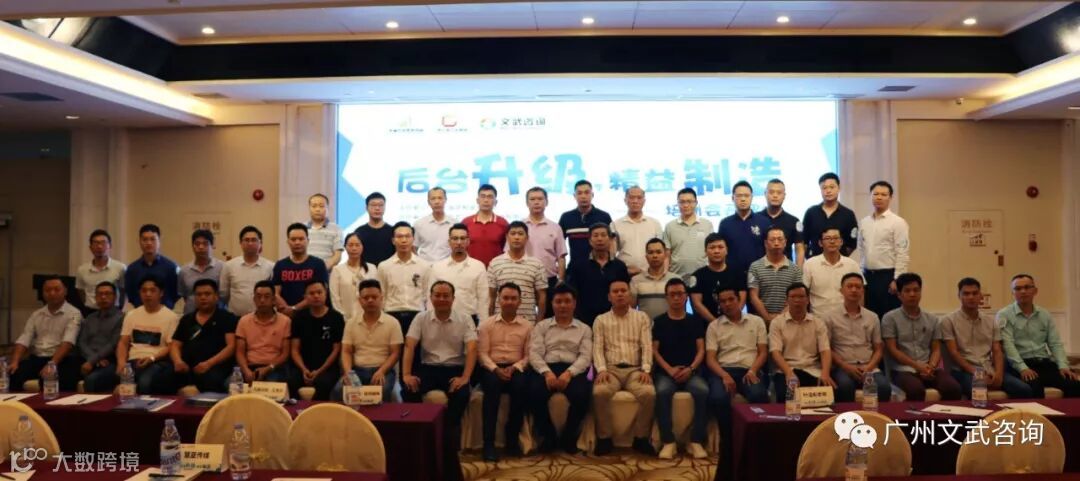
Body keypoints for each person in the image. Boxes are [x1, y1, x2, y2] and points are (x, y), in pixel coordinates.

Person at [401, 281, 477, 465]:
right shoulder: (421, 318)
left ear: (453, 298)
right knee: (409, 389)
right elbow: (410, 345)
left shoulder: (465, 318)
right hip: (429, 367)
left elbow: (472, 348)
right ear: (431, 297)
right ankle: (418, 437)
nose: (441, 299)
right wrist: (406, 374)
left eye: (446, 296)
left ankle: (448, 441)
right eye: (437, 295)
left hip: (454, 368)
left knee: (462, 394)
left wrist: (465, 377)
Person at [706, 287, 769, 479]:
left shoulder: (756, 321)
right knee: (718, 398)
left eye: (730, 299)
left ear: (738, 299)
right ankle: (729, 440)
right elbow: (710, 359)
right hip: (723, 370)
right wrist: (724, 375)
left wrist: (753, 370)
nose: (727, 304)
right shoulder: (714, 326)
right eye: (723, 301)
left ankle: (756, 443)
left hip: (750, 369)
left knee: (759, 395)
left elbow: (763, 352)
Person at [591, 279, 656, 456]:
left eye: (623, 291)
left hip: (635, 370)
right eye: (615, 291)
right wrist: (601, 369)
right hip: (610, 370)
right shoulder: (600, 320)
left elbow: (647, 345)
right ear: (609, 296)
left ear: (630, 294)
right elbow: (597, 348)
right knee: (599, 392)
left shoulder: (641, 317)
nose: (620, 294)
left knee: (649, 393)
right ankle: (604, 438)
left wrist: (646, 369)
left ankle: (641, 438)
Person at [528, 283, 592, 454]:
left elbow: (585, 357)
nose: (563, 305)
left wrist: (569, 374)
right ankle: (548, 436)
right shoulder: (541, 326)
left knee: (582, 394)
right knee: (534, 392)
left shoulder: (584, 329)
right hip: (547, 367)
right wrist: (547, 373)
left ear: (574, 303)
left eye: (567, 301)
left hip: (573, 369)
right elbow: (534, 353)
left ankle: (568, 437)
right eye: (558, 301)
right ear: (552, 303)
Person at [941, 278, 1030, 399]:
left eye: (975, 293)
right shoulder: (948, 321)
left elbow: (997, 351)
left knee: (1024, 390)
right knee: (980, 392)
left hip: (988, 368)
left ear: (980, 296)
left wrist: (999, 374)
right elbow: (954, 353)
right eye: (966, 294)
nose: (971, 297)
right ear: (959, 296)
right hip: (962, 371)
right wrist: (977, 373)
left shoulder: (990, 321)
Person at [652, 278, 709, 460]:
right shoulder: (659, 321)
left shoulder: (695, 321)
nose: (676, 298)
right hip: (666, 373)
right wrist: (669, 370)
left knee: (702, 390)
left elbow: (701, 350)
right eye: (672, 294)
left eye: (680, 294)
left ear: (686, 297)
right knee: (662, 392)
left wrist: (691, 369)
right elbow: (654, 351)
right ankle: (668, 442)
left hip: (691, 371)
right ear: (666, 297)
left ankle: (696, 441)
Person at [882, 273, 962, 401]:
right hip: (902, 370)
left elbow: (936, 349)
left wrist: (931, 367)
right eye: (907, 291)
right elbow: (893, 350)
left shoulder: (932, 319)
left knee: (953, 388)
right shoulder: (889, 318)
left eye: (916, 290)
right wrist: (918, 366)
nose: (912, 294)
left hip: (929, 367)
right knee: (916, 390)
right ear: (899, 295)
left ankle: (944, 414)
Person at [999, 274, 1080, 398]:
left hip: (1043, 363)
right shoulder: (1004, 315)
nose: (1023, 291)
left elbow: (1055, 343)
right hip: (1018, 365)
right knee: (1035, 386)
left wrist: (1063, 366)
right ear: (1012, 293)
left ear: (1035, 291)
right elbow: (1008, 345)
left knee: (1074, 384)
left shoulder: (1044, 314)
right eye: (1018, 288)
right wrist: (1023, 368)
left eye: (1027, 287)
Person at [477, 283, 533, 461]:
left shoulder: (528, 326)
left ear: (519, 301)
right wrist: (496, 369)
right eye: (506, 298)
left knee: (521, 387)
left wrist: (514, 367)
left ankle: (512, 440)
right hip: (491, 367)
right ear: (499, 300)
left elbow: (529, 355)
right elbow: (482, 354)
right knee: (491, 389)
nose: (509, 302)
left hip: (516, 367)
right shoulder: (486, 325)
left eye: (513, 298)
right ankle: (488, 444)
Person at [824, 273, 891, 403]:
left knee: (883, 387)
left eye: (858, 287)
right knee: (844, 386)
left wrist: (869, 367)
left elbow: (878, 349)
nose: (854, 290)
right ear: (841, 290)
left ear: (862, 291)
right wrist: (845, 366)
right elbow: (827, 348)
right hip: (842, 368)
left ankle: (875, 416)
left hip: (868, 367)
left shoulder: (872, 317)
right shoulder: (830, 317)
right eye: (850, 286)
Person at [333, 279, 403, 403]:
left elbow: (395, 353)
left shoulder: (393, 323)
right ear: (360, 300)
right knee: (339, 390)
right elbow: (346, 351)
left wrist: (381, 371)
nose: (370, 300)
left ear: (381, 298)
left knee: (381, 391)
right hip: (357, 370)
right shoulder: (351, 323)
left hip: (383, 370)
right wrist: (348, 373)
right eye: (366, 298)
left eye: (374, 297)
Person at [10, 276, 82, 392]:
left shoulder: (74, 313)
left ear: (65, 291)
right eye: (47, 290)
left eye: (56, 289)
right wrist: (15, 361)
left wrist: (52, 364)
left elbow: (68, 342)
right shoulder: (37, 314)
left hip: (63, 359)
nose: (52, 293)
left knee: (50, 378)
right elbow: (24, 338)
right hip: (37, 358)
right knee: (13, 373)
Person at [769, 283, 835, 403]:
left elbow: (825, 350)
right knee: (784, 394)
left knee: (829, 393)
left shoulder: (818, 322)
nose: (797, 300)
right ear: (786, 301)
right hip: (787, 369)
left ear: (808, 300)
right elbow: (775, 352)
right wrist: (789, 373)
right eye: (793, 297)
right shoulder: (777, 323)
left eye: (801, 296)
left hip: (812, 369)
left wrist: (825, 373)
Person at [170, 279, 237, 393]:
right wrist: (178, 361)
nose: (203, 297)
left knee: (210, 380)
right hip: (187, 366)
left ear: (216, 296)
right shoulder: (186, 319)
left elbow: (231, 347)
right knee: (164, 378)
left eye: (207, 294)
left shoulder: (227, 318)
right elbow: (175, 345)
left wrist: (208, 364)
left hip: (215, 366)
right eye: (199, 294)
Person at [856, 180, 910, 320]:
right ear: (870, 196)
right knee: (870, 317)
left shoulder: (898, 222)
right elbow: (861, 250)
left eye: (883, 194)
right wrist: (861, 275)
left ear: (890, 197)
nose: (879, 197)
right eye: (875, 194)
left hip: (888, 277)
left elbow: (902, 252)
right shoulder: (864, 222)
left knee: (888, 318)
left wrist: (897, 279)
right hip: (868, 277)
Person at [115, 276, 179, 394]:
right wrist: (121, 362)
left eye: (152, 290)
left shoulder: (171, 317)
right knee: (101, 379)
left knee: (145, 382)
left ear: (161, 293)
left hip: (157, 361)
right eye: (144, 291)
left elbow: (171, 346)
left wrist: (151, 358)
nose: (148, 294)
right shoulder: (131, 315)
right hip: (133, 360)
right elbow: (123, 342)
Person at [566, 223, 630, 327]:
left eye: (603, 235)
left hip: (614, 319)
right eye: (595, 235)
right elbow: (573, 293)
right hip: (585, 320)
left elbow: (625, 293)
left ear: (610, 239)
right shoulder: (578, 265)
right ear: (590, 240)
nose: (599, 239)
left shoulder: (619, 266)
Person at [288, 281, 344, 400]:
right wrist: (304, 369)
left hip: (327, 368)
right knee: (292, 381)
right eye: (311, 293)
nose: (316, 296)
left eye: (319, 292)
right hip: (302, 367)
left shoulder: (336, 317)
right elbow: (294, 349)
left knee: (323, 384)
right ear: (305, 297)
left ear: (326, 293)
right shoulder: (299, 318)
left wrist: (319, 371)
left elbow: (336, 350)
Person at [377, 222, 431, 343]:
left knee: (415, 352)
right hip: (392, 314)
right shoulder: (384, 266)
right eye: (399, 236)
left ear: (413, 239)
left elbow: (427, 294)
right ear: (393, 240)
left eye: (407, 236)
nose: (404, 240)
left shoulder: (425, 266)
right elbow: (381, 295)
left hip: (417, 315)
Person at [487, 221, 547, 322]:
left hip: (528, 323)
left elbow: (542, 297)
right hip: (500, 323)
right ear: (507, 237)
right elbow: (491, 297)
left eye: (520, 234)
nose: (516, 237)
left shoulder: (537, 264)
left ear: (527, 238)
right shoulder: (495, 263)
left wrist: (539, 322)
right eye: (513, 233)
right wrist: (490, 321)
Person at [428, 223, 488, 323]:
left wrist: (483, 324)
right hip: (442, 320)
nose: (459, 242)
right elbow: (431, 297)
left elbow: (483, 300)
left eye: (462, 238)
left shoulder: (478, 266)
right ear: (449, 242)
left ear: (468, 241)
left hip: (470, 320)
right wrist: (431, 321)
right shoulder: (437, 267)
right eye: (455, 238)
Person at [523, 186, 568, 318]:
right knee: (525, 317)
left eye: (540, 199)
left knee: (549, 318)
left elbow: (561, 256)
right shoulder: (520, 227)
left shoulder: (555, 227)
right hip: (525, 279)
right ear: (527, 203)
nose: (536, 202)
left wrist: (561, 279)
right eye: (532, 199)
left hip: (549, 280)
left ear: (546, 202)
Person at [235, 281, 292, 383]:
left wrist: (268, 368)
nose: (262, 300)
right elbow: (240, 352)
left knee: (270, 384)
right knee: (230, 384)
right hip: (250, 365)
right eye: (258, 297)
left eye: (267, 297)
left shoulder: (285, 321)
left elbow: (285, 354)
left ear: (274, 300)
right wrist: (245, 370)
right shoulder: (244, 321)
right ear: (254, 299)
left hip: (274, 367)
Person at [718, 180, 771, 283]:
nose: (743, 199)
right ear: (732, 198)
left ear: (752, 197)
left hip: (760, 276)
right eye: (739, 196)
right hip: (732, 276)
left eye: (746, 196)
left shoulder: (764, 222)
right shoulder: (725, 224)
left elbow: (769, 250)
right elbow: (721, 251)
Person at [273, 223, 330, 317]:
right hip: (285, 315)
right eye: (293, 239)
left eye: (301, 239)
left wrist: (295, 308)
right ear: (288, 242)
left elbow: (321, 292)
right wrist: (287, 309)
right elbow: (275, 292)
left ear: (308, 241)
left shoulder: (318, 264)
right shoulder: (280, 265)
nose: (297, 242)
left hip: (312, 316)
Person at [748, 227, 804, 323]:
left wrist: (779, 319)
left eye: (780, 239)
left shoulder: (795, 269)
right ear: (765, 243)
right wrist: (767, 318)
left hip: (788, 321)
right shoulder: (755, 267)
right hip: (761, 322)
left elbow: (796, 297)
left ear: (785, 242)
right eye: (772, 240)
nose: (776, 243)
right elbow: (753, 296)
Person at [77, 282, 124, 393]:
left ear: (115, 297)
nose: (103, 297)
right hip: (88, 358)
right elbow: (82, 342)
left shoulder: (121, 318)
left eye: (107, 294)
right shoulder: (90, 318)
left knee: (92, 380)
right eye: (100, 294)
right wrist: (93, 360)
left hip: (110, 361)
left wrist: (92, 361)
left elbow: (113, 344)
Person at [803, 228, 861, 315]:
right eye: (827, 238)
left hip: (845, 317)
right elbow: (803, 293)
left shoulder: (852, 264)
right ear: (820, 243)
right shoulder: (810, 264)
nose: (832, 241)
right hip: (818, 317)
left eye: (836, 238)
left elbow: (860, 293)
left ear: (841, 242)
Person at [219, 226, 274, 316]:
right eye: (246, 240)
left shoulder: (271, 267)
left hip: (263, 318)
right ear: (240, 243)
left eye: (254, 240)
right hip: (235, 318)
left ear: (260, 243)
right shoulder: (229, 266)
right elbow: (224, 295)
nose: (250, 243)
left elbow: (273, 295)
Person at [689, 234, 745, 322]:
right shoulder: (697, 276)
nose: (716, 251)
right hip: (706, 325)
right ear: (705, 251)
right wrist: (716, 324)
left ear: (727, 250)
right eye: (712, 248)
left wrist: (732, 319)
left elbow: (742, 299)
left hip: (734, 323)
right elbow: (697, 304)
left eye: (720, 247)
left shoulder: (738, 273)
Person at [802, 173, 858, 259]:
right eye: (824, 188)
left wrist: (839, 257)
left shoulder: (848, 214)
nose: (828, 191)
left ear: (839, 188)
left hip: (839, 262)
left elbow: (852, 244)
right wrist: (810, 257)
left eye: (832, 187)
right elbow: (804, 241)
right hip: (815, 261)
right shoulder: (811, 212)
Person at [612, 186, 663, 276]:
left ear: (644, 201)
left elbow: (661, 252)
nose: (635, 201)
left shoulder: (655, 224)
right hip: (624, 274)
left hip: (650, 274)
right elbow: (611, 254)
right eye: (631, 197)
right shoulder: (615, 225)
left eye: (639, 198)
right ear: (625, 200)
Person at [125, 224, 179, 309]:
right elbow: (131, 295)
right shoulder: (132, 269)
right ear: (139, 241)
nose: (149, 243)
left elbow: (175, 294)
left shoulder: (171, 267)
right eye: (145, 239)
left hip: (164, 312)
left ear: (159, 241)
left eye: (153, 239)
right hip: (141, 312)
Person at [560, 180, 613, 267]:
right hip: (575, 268)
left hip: (600, 268)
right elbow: (559, 245)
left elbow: (612, 242)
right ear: (574, 196)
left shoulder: (604, 216)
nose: (583, 196)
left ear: (592, 195)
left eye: (587, 192)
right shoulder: (566, 217)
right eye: (579, 193)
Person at [664, 188, 714, 277]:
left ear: (696, 203)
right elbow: (666, 256)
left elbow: (711, 251)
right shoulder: (670, 226)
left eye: (689, 201)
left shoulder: (707, 225)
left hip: (703, 277)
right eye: (682, 202)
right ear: (677, 204)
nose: (686, 205)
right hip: (676, 277)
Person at [329, 233, 377, 320]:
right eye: (350, 245)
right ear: (345, 247)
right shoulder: (337, 270)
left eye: (357, 245)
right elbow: (335, 298)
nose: (354, 248)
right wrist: (342, 318)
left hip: (369, 319)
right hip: (345, 319)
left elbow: (377, 294)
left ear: (362, 247)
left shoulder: (372, 268)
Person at [74, 229, 126, 309]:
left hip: (113, 310)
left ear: (110, 246)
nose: (99, 246)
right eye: (96, 243)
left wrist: (119, 309)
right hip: (90, 311)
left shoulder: (120, 268)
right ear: (90, 247)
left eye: (103, 243)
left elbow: (123, 291)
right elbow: (81, 291)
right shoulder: (82, 270)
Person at [630, 238, 679, 320]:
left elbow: (680, 310)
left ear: (665, 255)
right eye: (651, 252)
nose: (655, 256)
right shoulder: (635, 280)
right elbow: (631, 310)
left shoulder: (675, 279)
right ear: (646, 257)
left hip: (670, 326)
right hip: (644, 326)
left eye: (658, 252)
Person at [760, 179, 805, 266]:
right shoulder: (756, 219)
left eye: (779, 193)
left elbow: (799, 249)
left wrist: (798, 271)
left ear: (784, 196)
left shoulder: (794, 221)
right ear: (765, 194)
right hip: (761, 270)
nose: (775, 195)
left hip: (786, 270)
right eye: (771, 192)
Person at [179, 229, 224, 315]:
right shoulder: (184, 270)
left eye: (205, 243)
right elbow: (185, 295)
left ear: (212, 246)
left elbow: (224, 294)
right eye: (197, 244)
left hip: (217, 316)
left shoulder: (222, 268)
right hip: (191, 316)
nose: (201, 247)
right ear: (192, 246)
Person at [463, 184, 509, 266]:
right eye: (483, 196)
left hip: (496, 268)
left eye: (490, 197)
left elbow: (507, 249)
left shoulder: (503, 223)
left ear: (495, 202)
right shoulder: (466, 222)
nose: (486, 200)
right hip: (470, 268)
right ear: (477, 200)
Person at [415, 187, 457, 263]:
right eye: (433, 199)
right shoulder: (419, 224)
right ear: (428, 202)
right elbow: (413, 248)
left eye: (440, 198)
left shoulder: (454, 224)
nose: (437, 202)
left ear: (445, 200)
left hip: (448, 266)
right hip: (425, 266)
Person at [354, 192, 395, 266]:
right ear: (366, 208)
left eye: (381, 205)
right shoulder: (359, 231)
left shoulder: (392, 231)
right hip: (365, 270)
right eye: (373, 205)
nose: (377, 208)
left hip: (388, 270)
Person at [306, 193, 344, 270]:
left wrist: (323, 268)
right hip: (304, 271)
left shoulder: (336, 229)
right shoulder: (302, 228)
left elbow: (337, 256)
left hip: (326, 272)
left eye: (321, 206)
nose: (317, 209)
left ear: (327, 208)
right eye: (314, 206)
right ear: (309, 208)